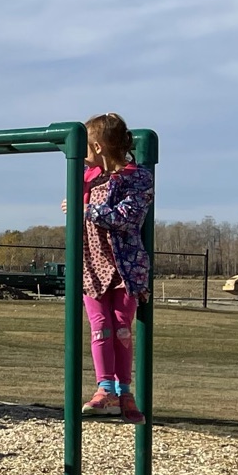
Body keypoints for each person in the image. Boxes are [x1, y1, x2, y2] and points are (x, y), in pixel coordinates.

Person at [80, 112, 153, 423]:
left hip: (125, 266)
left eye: (84, 145)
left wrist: (87, 209)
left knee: (122, 327)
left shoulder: (138, 178)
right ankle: (104, 388)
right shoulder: (87, 177)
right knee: (100, 326)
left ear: (97, 147)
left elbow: (127, 217)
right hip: (92, 265)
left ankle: (125, 392)